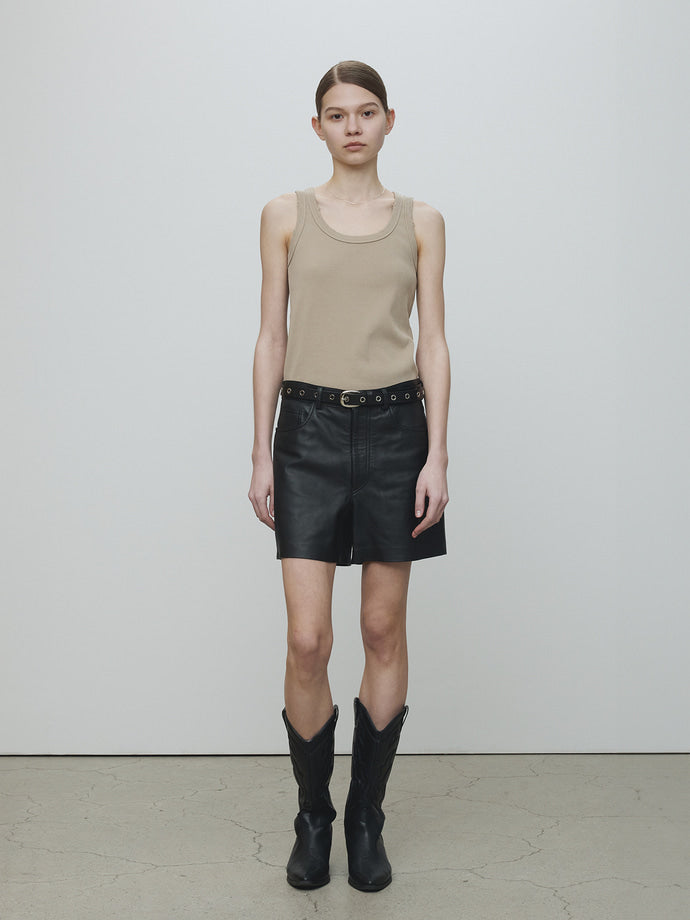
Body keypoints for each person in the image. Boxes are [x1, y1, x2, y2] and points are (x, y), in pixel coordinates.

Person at [248, 60, 450, 893]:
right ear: (317, 127)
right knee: (308, 639)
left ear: (389, 120)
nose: (353, 126)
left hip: (398, 431)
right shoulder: (284, 215)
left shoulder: (422, 220)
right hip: (309, 431)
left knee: (380, 630)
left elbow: (432, 340)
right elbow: (271, 335)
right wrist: (261, 450)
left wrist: (438, 454)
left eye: (367, 112)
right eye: (337, 114)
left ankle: (366, 817)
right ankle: (313, 817)